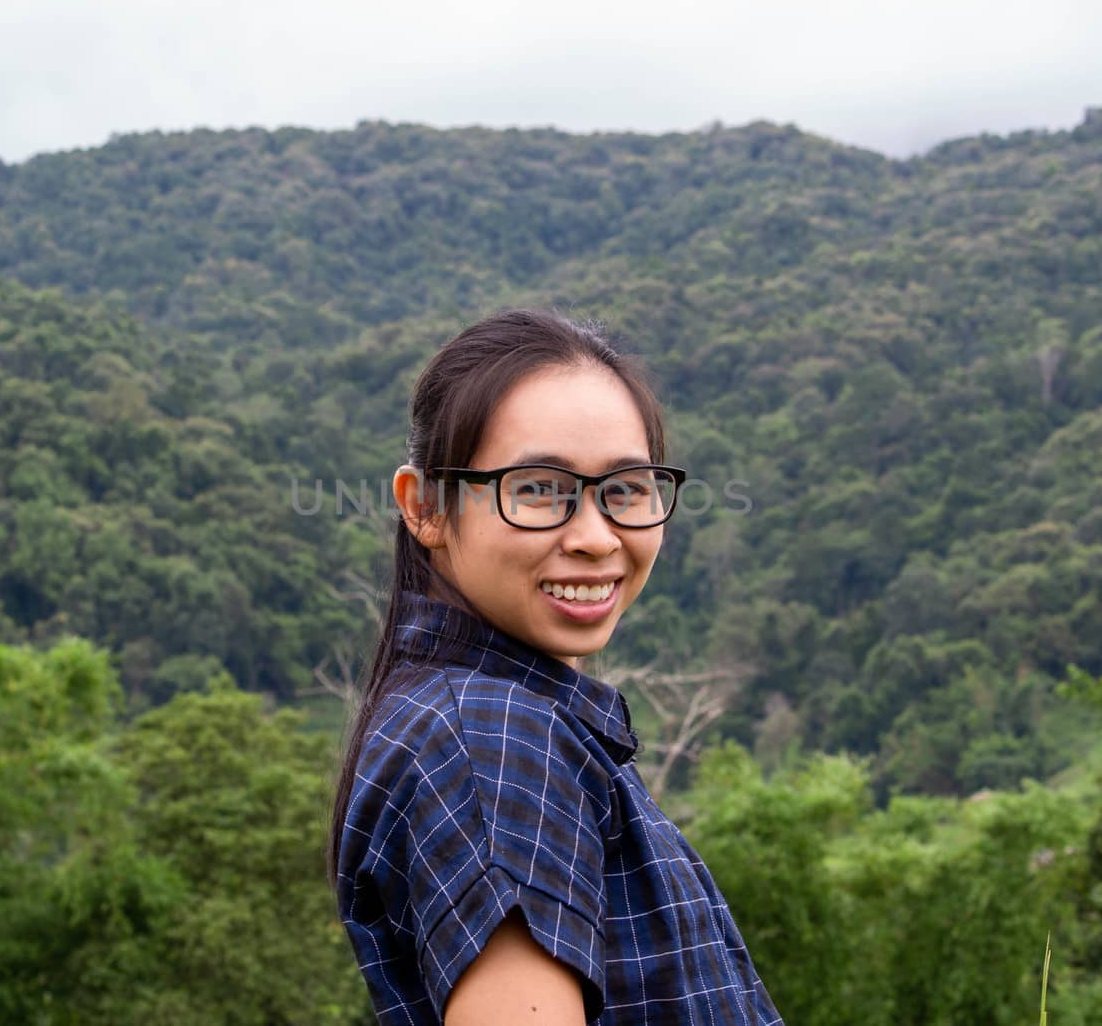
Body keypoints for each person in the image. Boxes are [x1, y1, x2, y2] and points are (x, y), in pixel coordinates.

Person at [329, 309, 783, 1025]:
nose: (597, 537)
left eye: (627, 489)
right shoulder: (491, 739)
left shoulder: (482, 716)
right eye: (539, 488)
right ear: (426, 508)